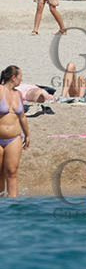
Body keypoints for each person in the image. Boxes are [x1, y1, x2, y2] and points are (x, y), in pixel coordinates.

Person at [0, 66, 28, 197]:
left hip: (14, 138)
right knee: (0, 172)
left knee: (12, 171)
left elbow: (22, 116)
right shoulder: (0, 91)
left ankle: (13, 203)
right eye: (20, 77)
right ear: (13, 77)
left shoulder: (18, 94)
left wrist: (27, 134)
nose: (21, 80)